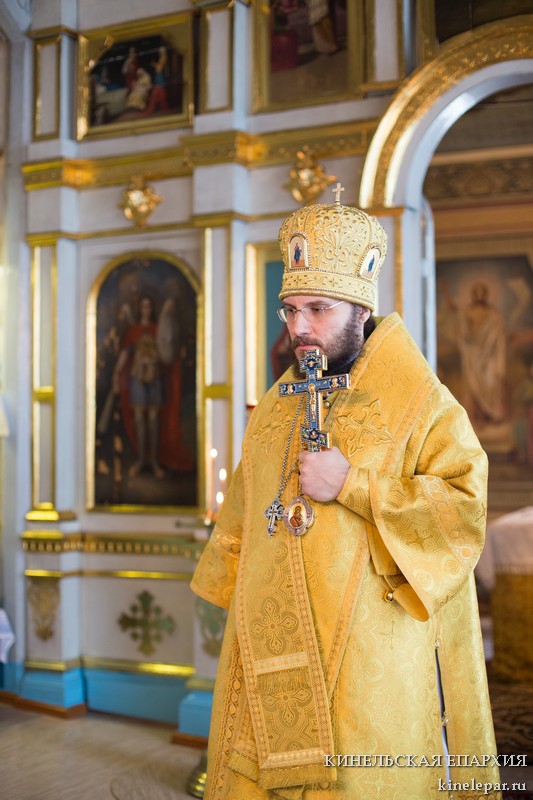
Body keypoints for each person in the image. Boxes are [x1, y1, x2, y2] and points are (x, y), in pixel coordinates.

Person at [191, 199, 500, 799]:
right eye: (290, 310)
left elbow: (464, 509)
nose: (299, 328)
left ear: (361, 309)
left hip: (370, 654)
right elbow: (247, 511)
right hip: (271, 641)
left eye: (318, 309)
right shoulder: (278, 403)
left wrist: (352, 484)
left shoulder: (421, 401)